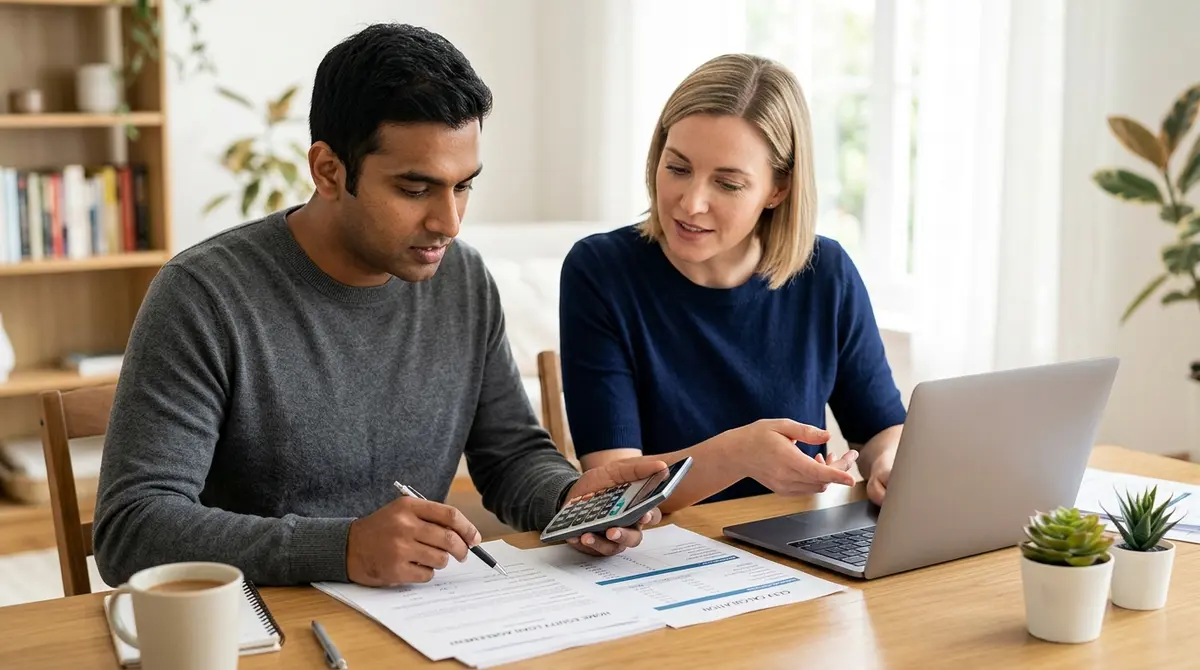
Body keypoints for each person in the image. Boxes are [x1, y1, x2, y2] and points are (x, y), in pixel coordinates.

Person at [92, 23, 664, 589]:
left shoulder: (462, 279)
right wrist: (342, 549)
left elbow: (510, 454)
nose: (449, 221)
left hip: (415, 620)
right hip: (265, 624)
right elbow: (133, 530)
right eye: (416, 189)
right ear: (328, 171)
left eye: (464, 185)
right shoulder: (204, 295)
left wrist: (569, 499)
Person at [558, 53, 906, 514]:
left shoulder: (827, 271)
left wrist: (890, 464)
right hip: (662, 561)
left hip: (794, 550)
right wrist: (739, 455)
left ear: (777, 189)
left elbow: (883, 428)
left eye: (727, 184)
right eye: (678, 168)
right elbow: (612, 492)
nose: (691, 203)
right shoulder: (601, 271)